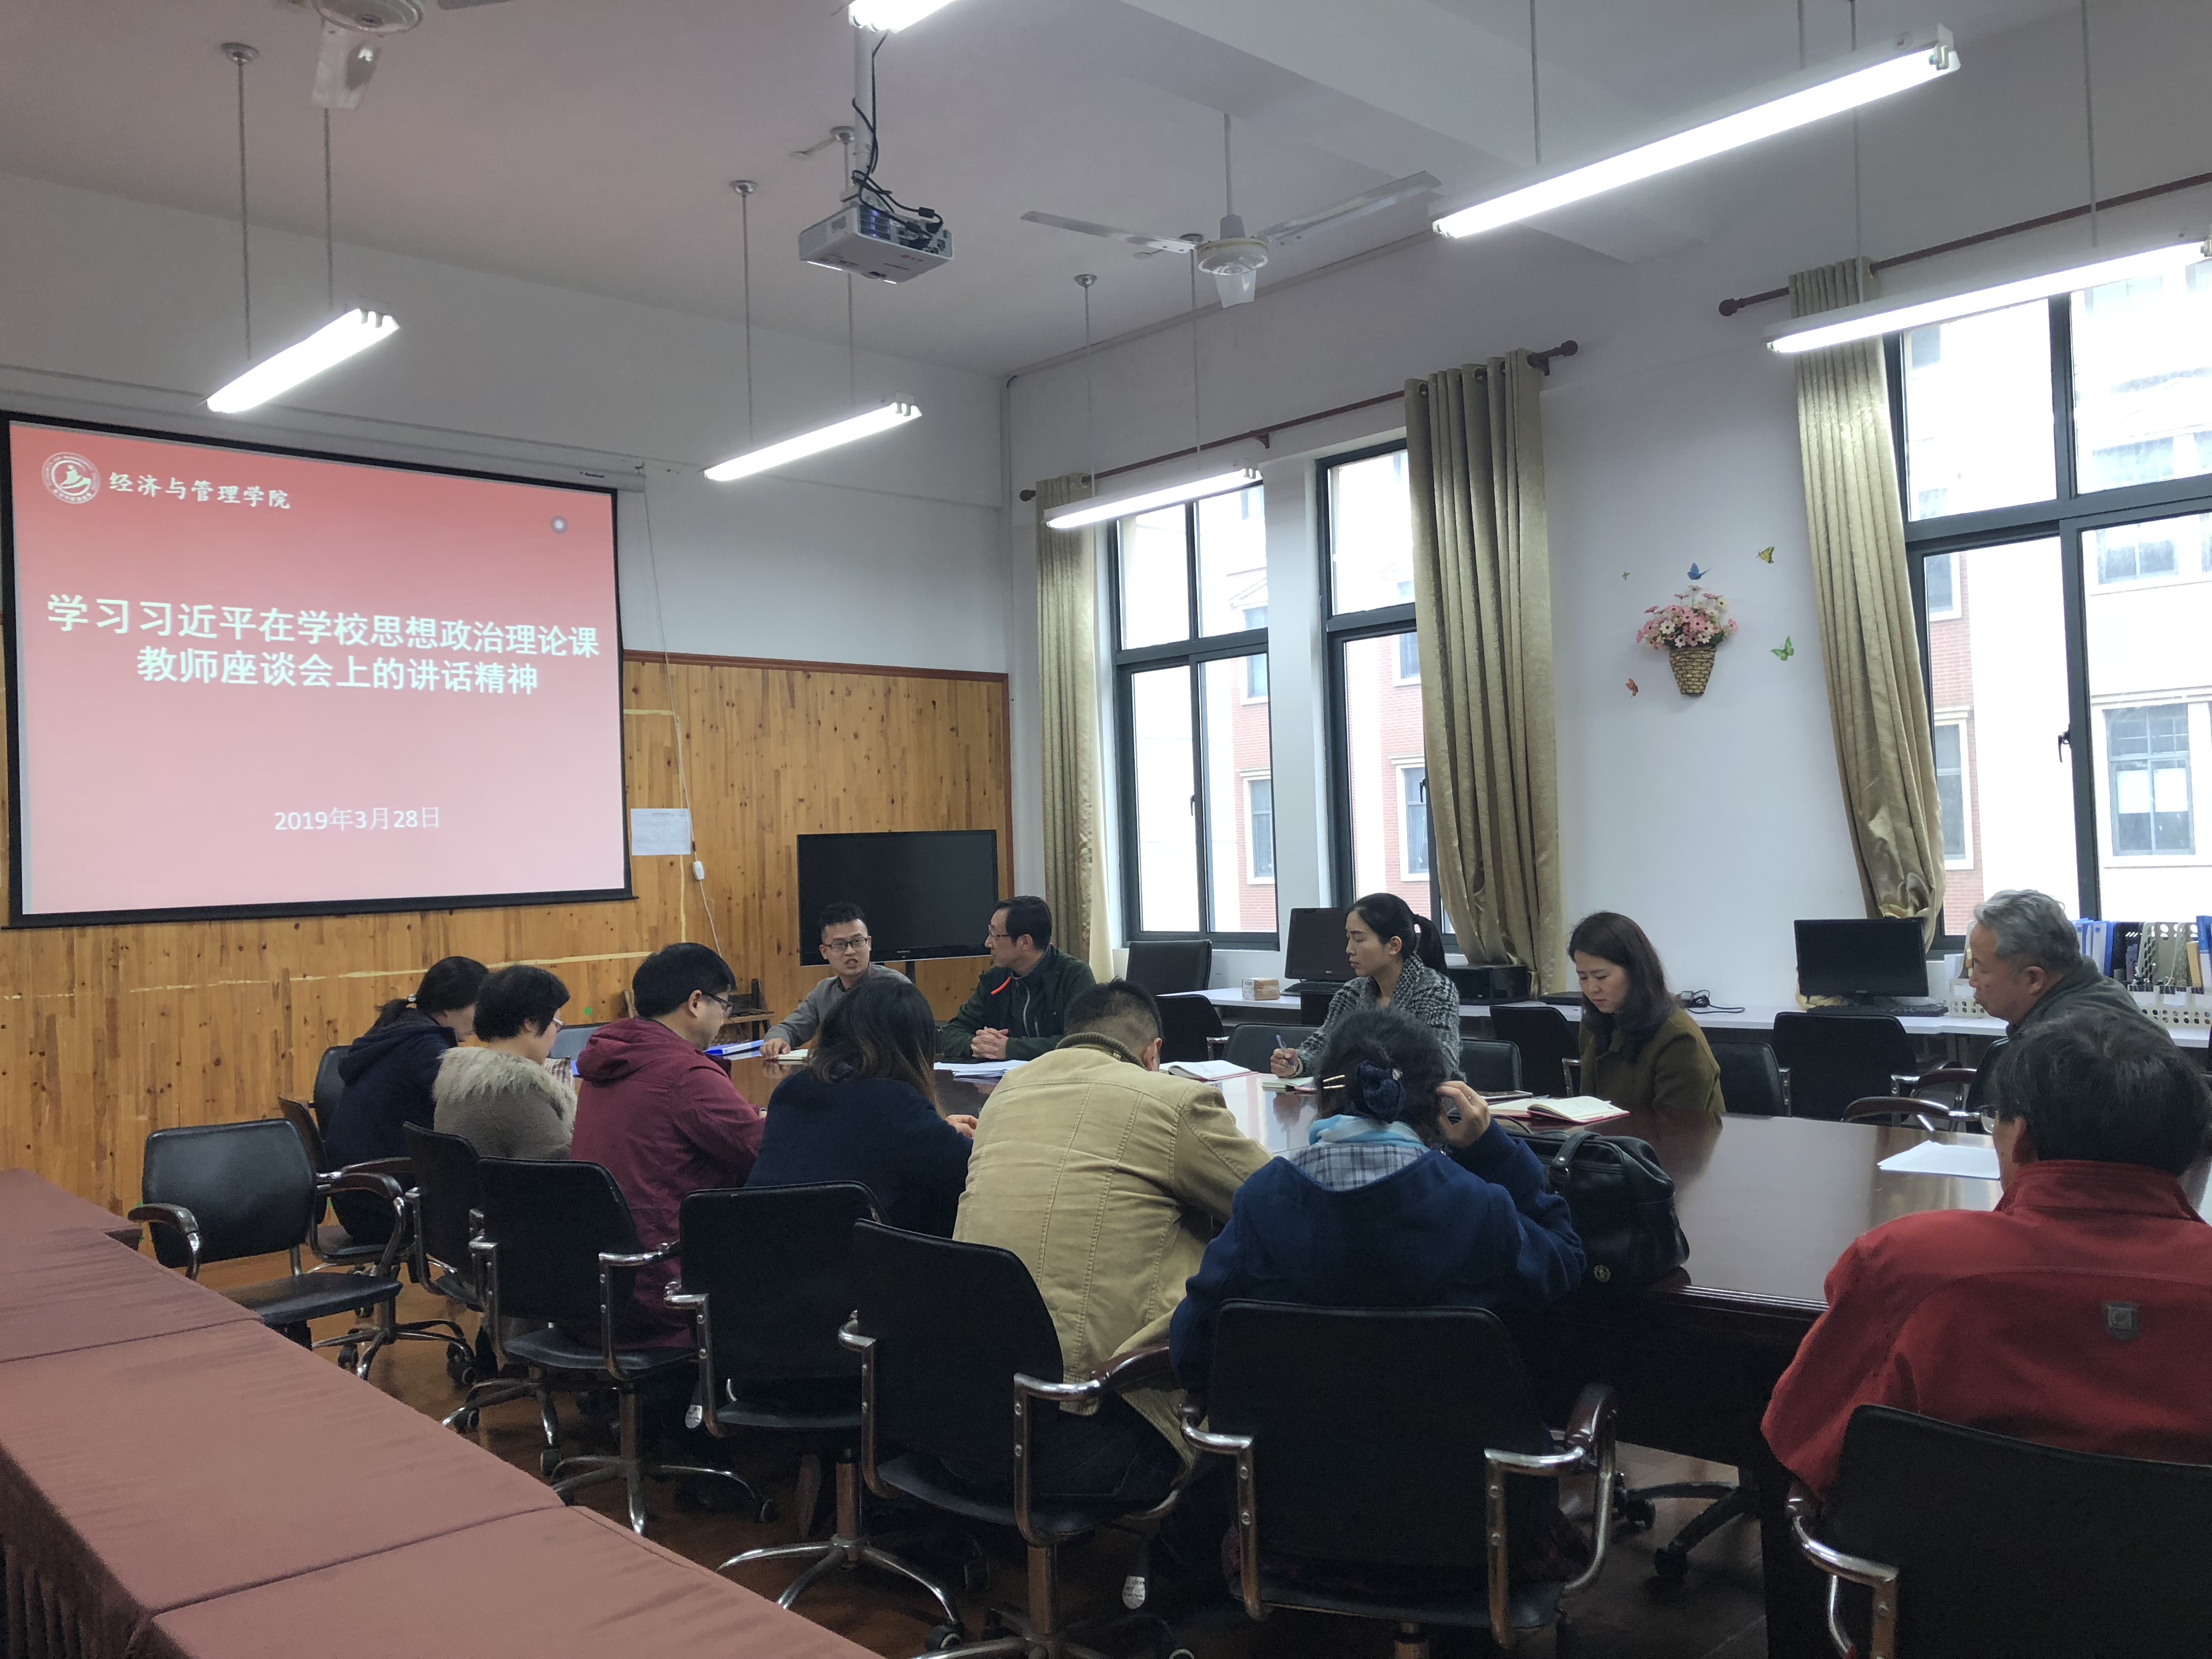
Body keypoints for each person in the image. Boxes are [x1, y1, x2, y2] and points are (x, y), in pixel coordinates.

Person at [1763, 1013, 2212, 1501]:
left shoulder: (1905, 1263)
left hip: (1941, 1548)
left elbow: (1805, 1437)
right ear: (2188, 1151)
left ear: (2021, 1138)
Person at [955, 979, 1270, 1509]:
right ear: (1153, 1054)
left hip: (963, 1420)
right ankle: (1195, 1545)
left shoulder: (1006, 1092)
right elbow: (1278, 1204)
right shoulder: (1172, 1100)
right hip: (1085, 1431)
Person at [1173, 1007, 1584, 1392]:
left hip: (1297, 1443)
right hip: (1454, 1441)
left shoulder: (1262, 1199)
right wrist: (1493, 1151)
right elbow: (1563, 1263)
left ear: (1322, 1095)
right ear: (1438, 1104)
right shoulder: (1475, 1204)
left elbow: (1191, 1347)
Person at [569, 943, 764, 1345]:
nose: (724, 1018)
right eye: (724, 1006)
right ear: (695, 1002)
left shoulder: (608, 1059)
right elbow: (762, 1153)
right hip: (663, 1289)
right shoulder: (685, 1073)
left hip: (595, 1286)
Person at [751, 975, 979, 1236]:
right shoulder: (897, 1104)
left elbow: (849, 1142)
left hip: (758, 1248)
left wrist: (936, 1129)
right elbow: (974, 1169)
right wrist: (944, 1133)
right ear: (915, 1047)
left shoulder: (791, 1089)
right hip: (847, 1256)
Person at [325, 956, 489, 1245]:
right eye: (478, 1007)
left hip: (359, 1196)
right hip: (387, 1203)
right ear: (449, 1007)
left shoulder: (402, 1032)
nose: (481, 1018)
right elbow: (473, 1108)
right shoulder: (423, 1047)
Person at [1271, 893, 1459, 1080]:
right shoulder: (1351, 993)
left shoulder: (1435, 991)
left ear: (1394, 946)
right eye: (1348, 938)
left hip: (1418, 1096)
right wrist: (1296, 1064)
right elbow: (1322, 1046)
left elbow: (1440, 1065)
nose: (1349, 949)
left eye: (1359, 939)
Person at [1568, 911, 1723, 1116]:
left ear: (1635, 971)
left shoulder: (1679, 1039)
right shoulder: (1595, 1024)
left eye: (1601, 977)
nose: (1591, 988)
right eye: (1583, 977)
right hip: (1607, 1135)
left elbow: (1678, 1129)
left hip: (1666, 1136)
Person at [433, 963, 577, 1161]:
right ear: (530, 1023)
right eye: (555, 1024)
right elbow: (562, 1167)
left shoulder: (457, 1079)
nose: (556, 1034)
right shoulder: (522, 1091)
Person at [1966, 888, 2157, 1036]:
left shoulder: (2062, 1042)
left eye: (1981, 967)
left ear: (2033, 979)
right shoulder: (2104, 991)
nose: (1972, 981)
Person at [937, 894, 1096, 1062]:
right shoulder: (995, 979)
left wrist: (1010, 1049)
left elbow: (1083, 1042)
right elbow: (952, 1033)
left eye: (995, 935)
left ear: (1025, 942)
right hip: (1004, 1077)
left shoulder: (1074, 976)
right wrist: (980, 1045)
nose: (987, 943)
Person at [760, 902, 907, 1060]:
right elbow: (789, 1028)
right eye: (840, 945)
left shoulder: (895, 986)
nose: (850, 951)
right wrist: (777, 1040)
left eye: (857, 941)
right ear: (824, 952)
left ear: (869, 944)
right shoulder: (824, 992)